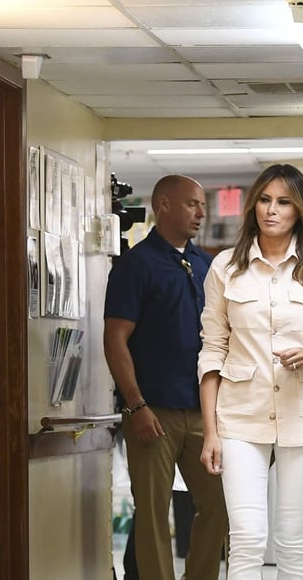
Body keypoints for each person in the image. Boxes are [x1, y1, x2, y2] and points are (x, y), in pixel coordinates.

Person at [197, 164, 303, 580]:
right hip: (239, 417)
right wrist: (211, 432)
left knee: (293, 540)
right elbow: (212, 350)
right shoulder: (225, 268)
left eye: (284, 202)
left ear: (300, 209)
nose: (272, 210)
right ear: (253, 206)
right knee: (246, 537)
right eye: (265, 200)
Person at [103, 174, 228, 580]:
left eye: (202, 204)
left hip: (203, 413)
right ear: (164, 205)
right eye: (192, 203)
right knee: (153, 512)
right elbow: (115, 339)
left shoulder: (208, 265)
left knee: (219, 505)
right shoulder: (135, 266)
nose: (201, 212)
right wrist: (135, 404)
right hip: (152, 412)